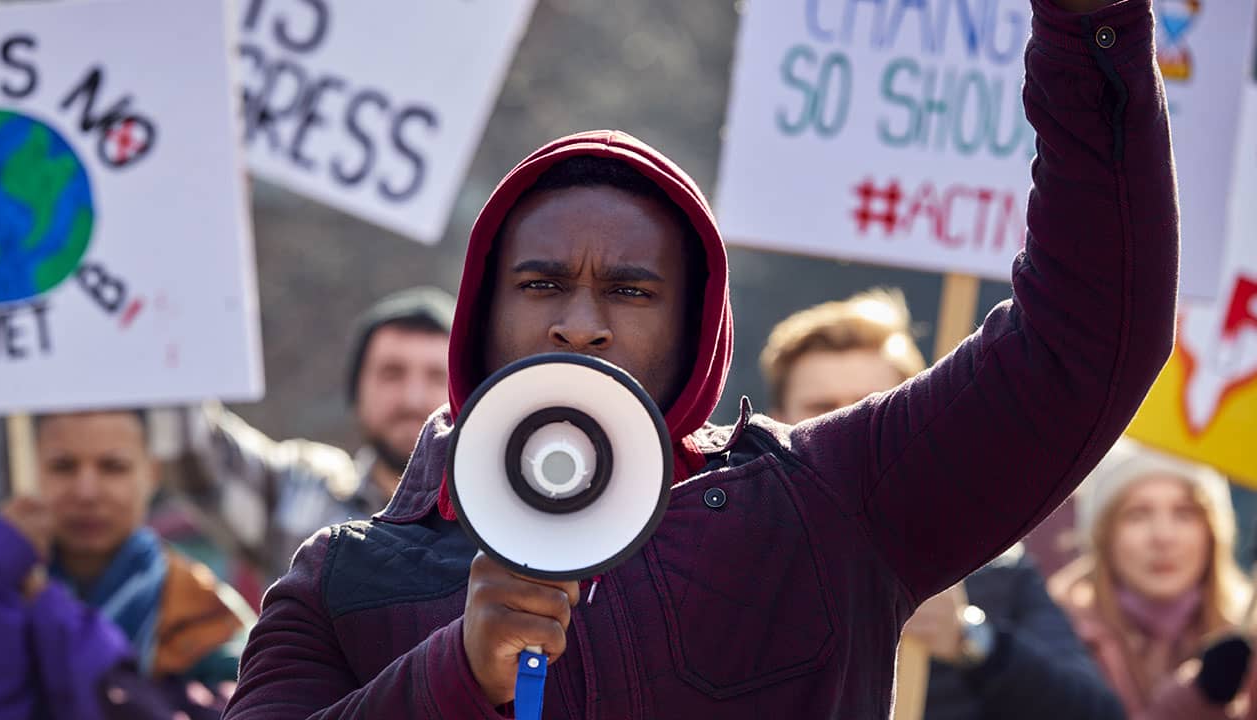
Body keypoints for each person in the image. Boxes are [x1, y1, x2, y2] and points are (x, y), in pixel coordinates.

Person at [226, 1, 1180, 716]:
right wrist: (453, 675)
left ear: (697, 334)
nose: (581, 325)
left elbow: (1083, 344)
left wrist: (1086, 30)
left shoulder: (823, 505)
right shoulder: (342, 581)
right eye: (541, 283)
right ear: (477, 317)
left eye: (633, 291)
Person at [763, 289, 1124, 719]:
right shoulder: (733, 559)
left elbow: (1095, 713)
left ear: (918, 413)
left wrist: (968, 640)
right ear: (776, 420)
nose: (847, 431)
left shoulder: (995, 571)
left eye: (869, 407)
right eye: (823, 410)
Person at [0, 409, 256, 719]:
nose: (87, 492)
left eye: (113, 467)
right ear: (31, 470)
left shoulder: (199, 606)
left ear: (151, 474)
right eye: (63, 466)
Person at [174, 286, 455, 581]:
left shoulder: (491, 518)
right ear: (356, 391)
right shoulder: (299, 491)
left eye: (437, 376)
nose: (412, 398)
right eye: (391, 373)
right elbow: (190, 447)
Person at [1050, 438, 1256, 719]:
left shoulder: (1248, 632)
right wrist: (1198, 695)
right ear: (1103, 537)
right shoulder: (1057, 635)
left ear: (1212, 532)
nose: (1163, 537)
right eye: (1137, 515)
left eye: (1184, 513)